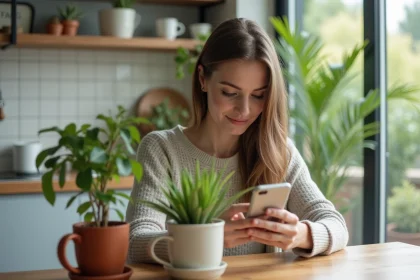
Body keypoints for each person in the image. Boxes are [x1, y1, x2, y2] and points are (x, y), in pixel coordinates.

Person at [125, 17, 348, 264]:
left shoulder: (277, 151)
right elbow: (136, 241)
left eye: (258, 96)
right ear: (202, 79)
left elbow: (335, 225)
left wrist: (300, 235)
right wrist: (208, 236)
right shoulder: (161, 149)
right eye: (230, 93)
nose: (244, 110)